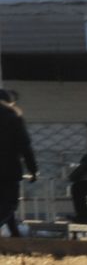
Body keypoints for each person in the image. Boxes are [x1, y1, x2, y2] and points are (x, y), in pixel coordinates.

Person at [0, 89, 38, 237]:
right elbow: (25, 146)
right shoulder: (13, 117)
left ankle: (15, 234)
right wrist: (33, 170)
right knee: (10, 203)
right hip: (8, 169)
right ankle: (15, 234)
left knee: (3, 204)